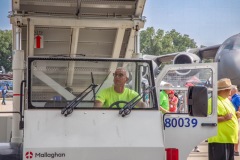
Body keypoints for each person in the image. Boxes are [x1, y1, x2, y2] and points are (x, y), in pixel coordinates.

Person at [208, 78, 240, 160]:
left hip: (228, 139)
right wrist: (224, 118)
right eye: (229, 89)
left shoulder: (227, 100)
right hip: (219, 140)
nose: (231, 90)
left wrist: (236, 115)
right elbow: (208, 119)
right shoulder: (213, 101)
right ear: (225, 90)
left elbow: (230, 115)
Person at [230, 85, 240, 156]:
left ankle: (236, 150)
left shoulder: (237, 97)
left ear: (233, 90)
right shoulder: (233, 97)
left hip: (236, 118)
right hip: (233, 118)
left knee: (236, 134)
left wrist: (238, 115)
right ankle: (234, 150)